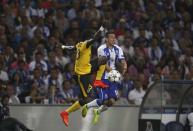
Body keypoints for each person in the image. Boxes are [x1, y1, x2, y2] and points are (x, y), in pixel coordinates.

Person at [60, 26, 104, 127]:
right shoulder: (85, 44)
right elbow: (95, 38)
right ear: (88, 38)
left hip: (86, 70)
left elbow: (71, 48)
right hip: (82, 75)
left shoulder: (80, 44)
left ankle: (97, 81)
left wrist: (62, 47)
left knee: (103, 59)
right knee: (87, 99)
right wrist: (101, 28)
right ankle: (66, 113)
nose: (92, 38)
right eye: (91, 36)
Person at [82, 30, 127, 124]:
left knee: (112, 101)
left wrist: (124, 66)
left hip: (113, 78)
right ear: (106, 39)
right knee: (103, 100)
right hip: (103, 77)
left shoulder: (118, 49)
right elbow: (103, 64)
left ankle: (97, 111)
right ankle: (87, 106)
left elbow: (122, 60)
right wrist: (114, 71)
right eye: (111, 37)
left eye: (114, 37)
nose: (113, 39)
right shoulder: (101, 49)